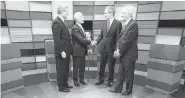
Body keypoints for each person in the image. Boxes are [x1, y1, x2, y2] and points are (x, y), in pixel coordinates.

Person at [109, 5, 138, 95]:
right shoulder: (125, 25)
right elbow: (120, 39)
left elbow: (127, 41)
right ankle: (118, 88)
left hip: (129, 55)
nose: (121, 14)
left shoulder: (133, 25)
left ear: (129, 14)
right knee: (120, 72)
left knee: (129, 74)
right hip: (123, 53)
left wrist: (119, 51)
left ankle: (128, 90)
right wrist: (118, 49)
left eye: (123, 13)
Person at [91, 6, 122, 87]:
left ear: (111, 13)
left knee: (111, 66)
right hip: (103, 48)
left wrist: (117, 49)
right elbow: (101, 35)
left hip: (112, 49)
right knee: (102, 65)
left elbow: (118, 38)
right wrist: (96, 41)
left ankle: (110, 80)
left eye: (105, 13)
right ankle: (100, 79)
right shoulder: (104, 23)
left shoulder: (118, 23)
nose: (104, 14)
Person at [51, 5, 73, 92]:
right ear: (62, 12)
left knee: (65, 69)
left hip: (66, 51)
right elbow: (56, 38)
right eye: (66, 11)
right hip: (62, 52)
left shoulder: (62, 21)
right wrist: (61, 51)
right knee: (61, 70)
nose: (67, 13)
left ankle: (65, 84)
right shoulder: (56, 22)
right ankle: (61, 87)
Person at [71, 12, 92, 87]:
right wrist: (90, 42)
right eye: (82, 17)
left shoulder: (81, 27)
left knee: (82, 66)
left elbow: (83, 40)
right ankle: (75, 81)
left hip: (83, 50)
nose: (83, 18)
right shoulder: (75, 28)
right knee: (76, 67)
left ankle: (81, 79)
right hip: (77, 51)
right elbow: (81, 40)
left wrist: (88, 49)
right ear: (78, 18)